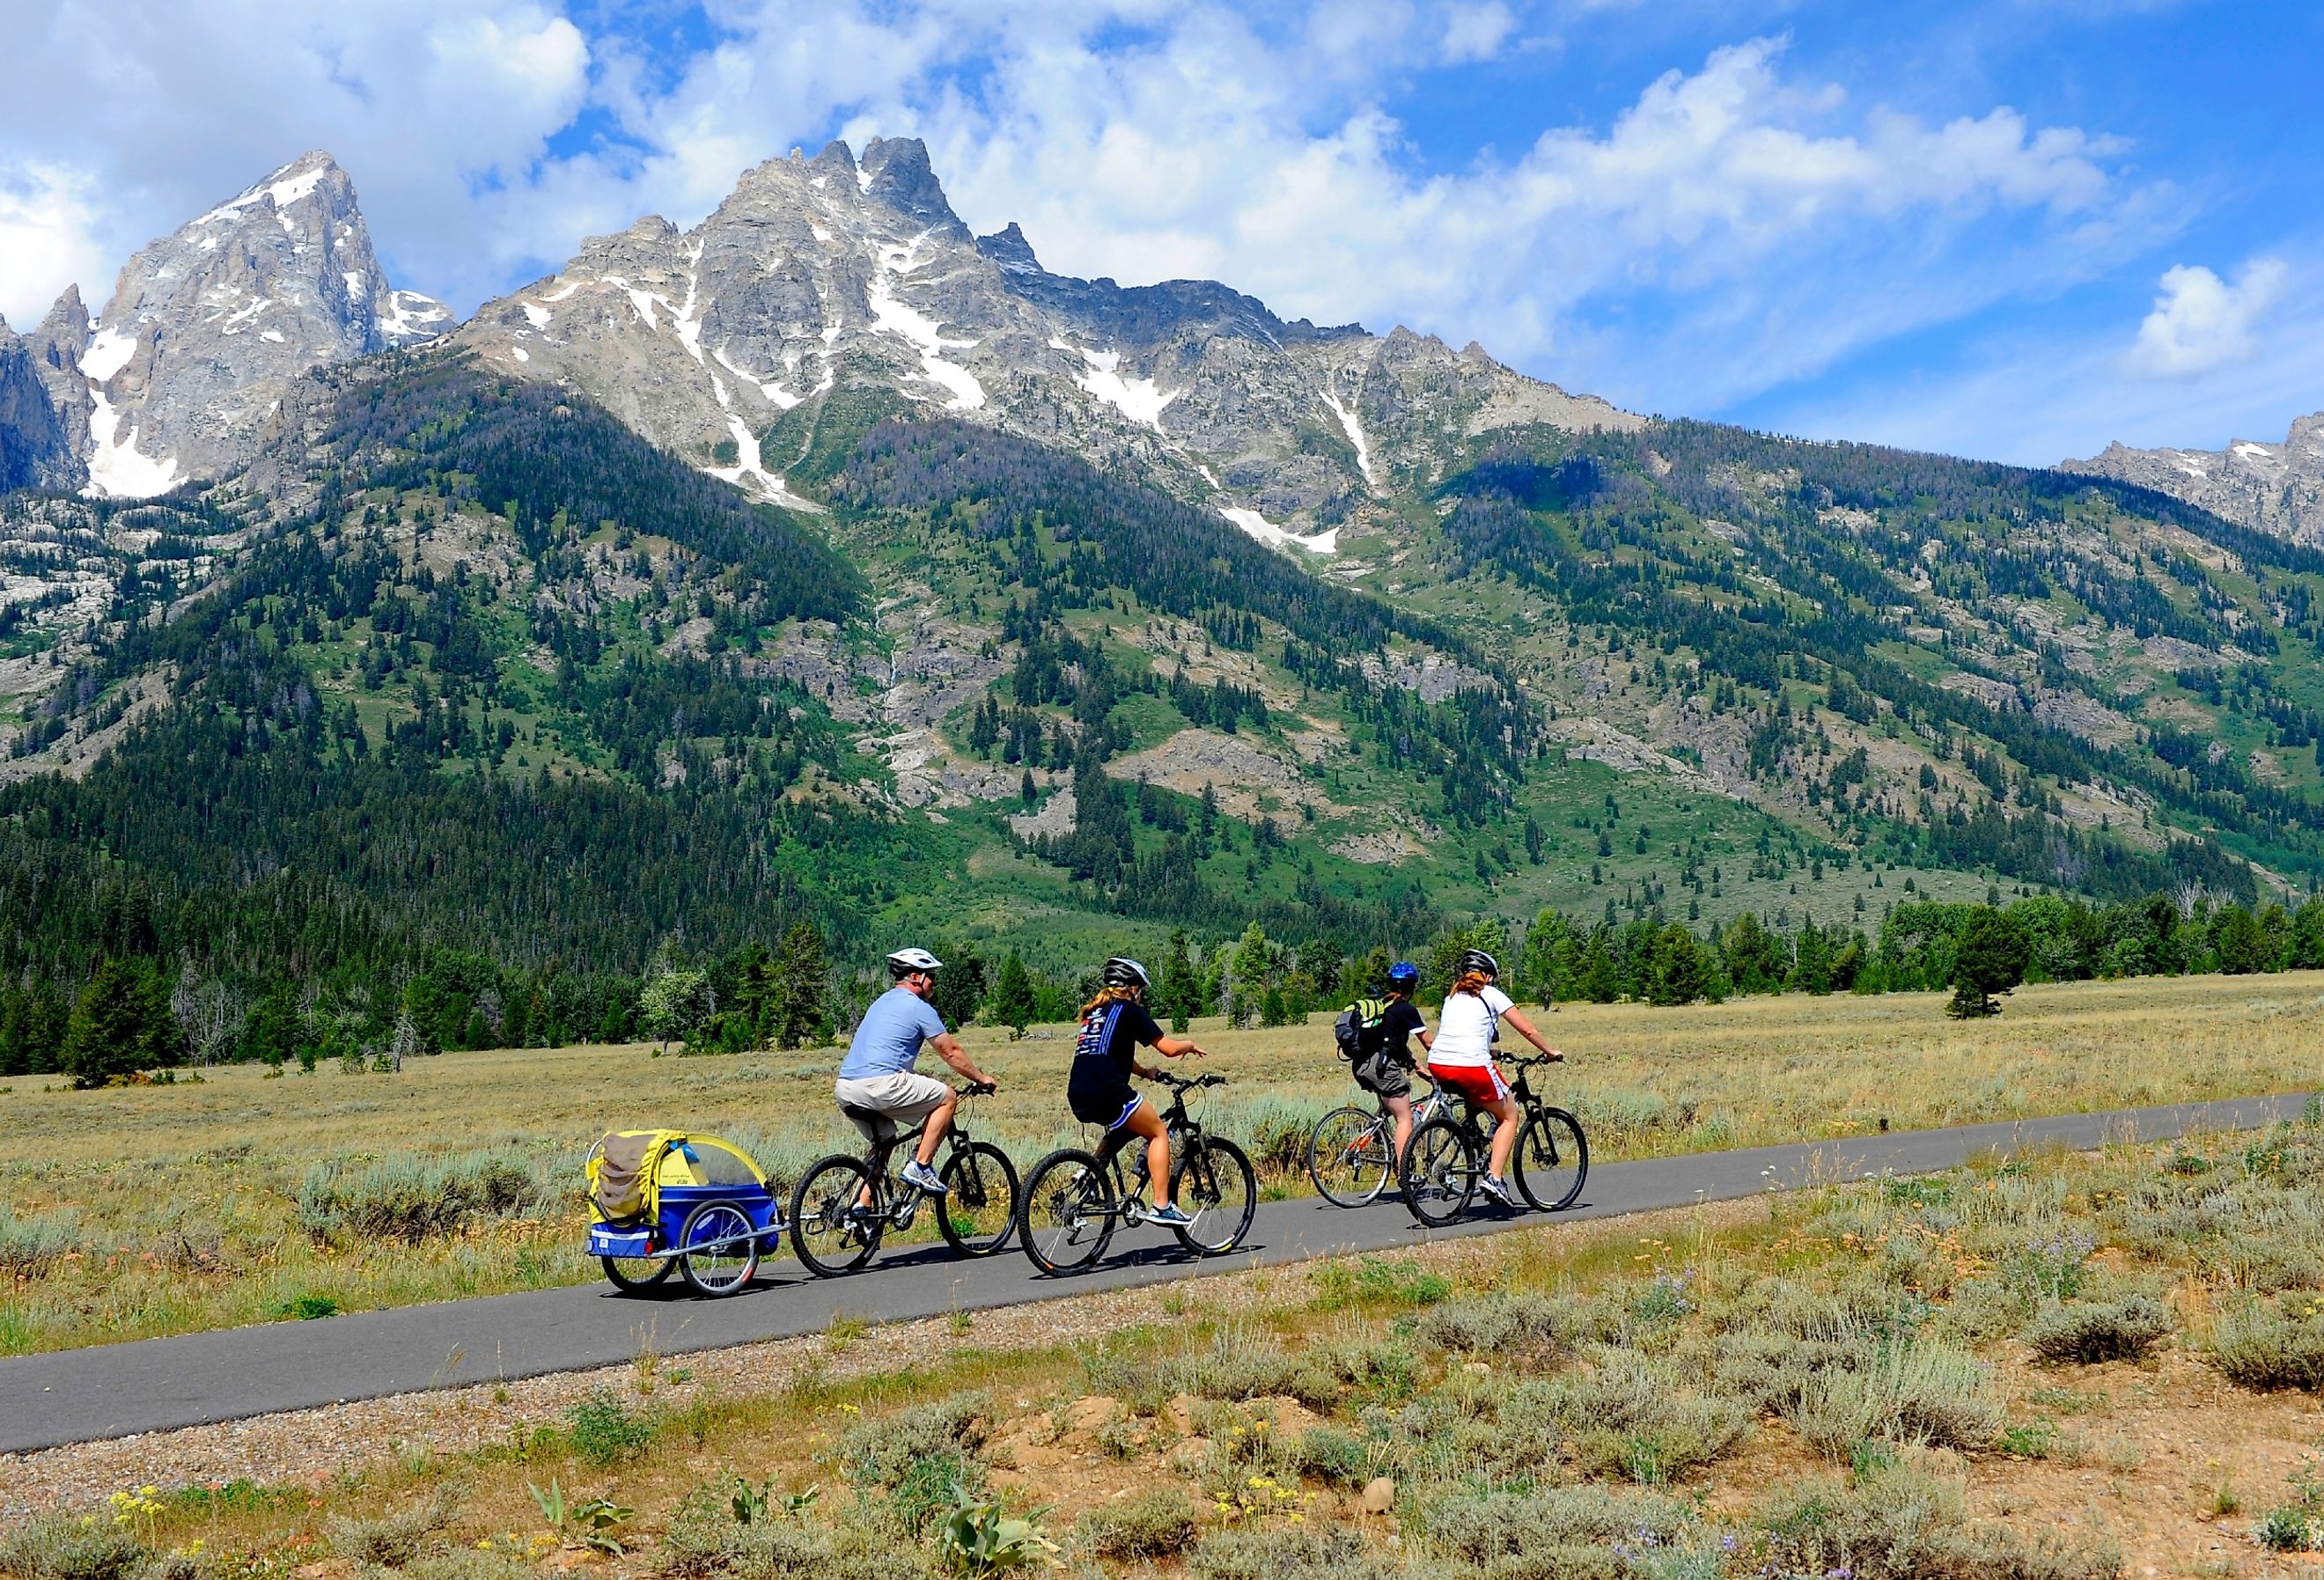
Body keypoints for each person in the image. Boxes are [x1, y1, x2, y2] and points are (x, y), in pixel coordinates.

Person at [835, 948, 997, 1195]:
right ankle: (921, 1165)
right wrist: (981, 1078)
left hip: (846, 1088)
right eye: (930, 976)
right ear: (914, 977)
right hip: (880, 1084)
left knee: (885, 1142)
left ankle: (861, 1208)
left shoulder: (881, 1001)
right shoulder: (919, 1006)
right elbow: (950, 1051)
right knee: (948, 1097)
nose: (934, 983)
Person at [1066, 956, 1210, 1226]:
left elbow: (1111, 1054)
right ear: (1132, 987)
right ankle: (1162, 1205)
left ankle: (1089, 1173)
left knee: (1128, 1127)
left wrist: (1145, 1073)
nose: (1142, 995)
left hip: (1078, 1092)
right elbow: (1167, 1048)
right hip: (1108, 1090)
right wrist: (1188, 1044)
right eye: (1141, 989)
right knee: (1157, 1132)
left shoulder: (1095, 1012)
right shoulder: (1130, 1011)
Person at [1424, 947, 1562, 1207]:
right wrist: (1550, 1051)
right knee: (1510, 1116)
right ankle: (1495, 1179)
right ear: (1487, 976)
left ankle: (1471, 1142)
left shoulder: (1452, 996)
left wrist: (1493, 1052)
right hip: (1472, 1065)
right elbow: (1528, 1029)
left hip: (1439, 1064)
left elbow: (1461, 1034)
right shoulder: (1491, 994)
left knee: (1477, 1098)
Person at [1351, 961, 1433, 1169]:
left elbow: (1393, 1043)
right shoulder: (1406, 1009)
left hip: (1363, 1065)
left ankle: (1379, 1135)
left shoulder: (1383, 1006)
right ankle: (1403, 1170)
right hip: (1382, 1068)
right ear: (1412, 987)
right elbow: (1429, 1042)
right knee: (1405, 1117)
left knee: (1391, 1108)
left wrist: (1416, 1065)